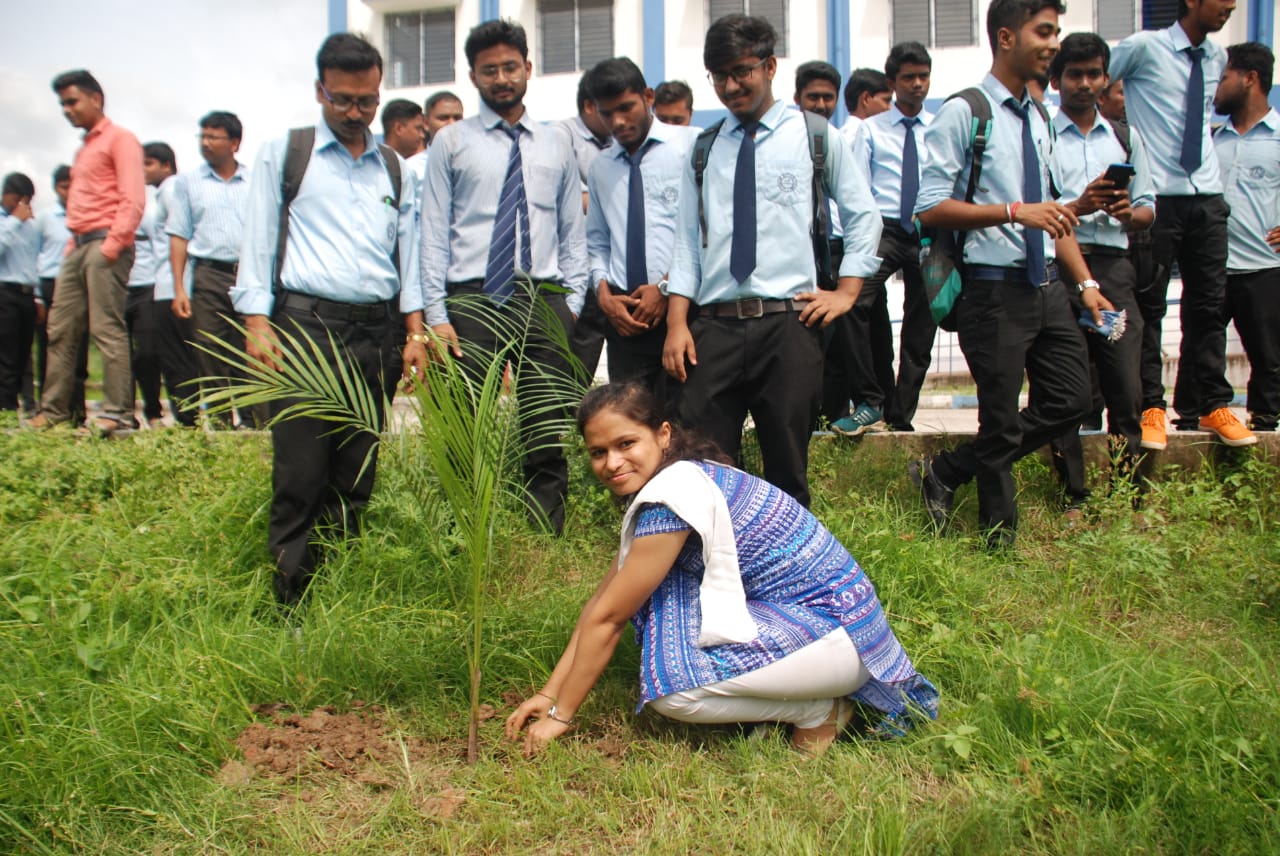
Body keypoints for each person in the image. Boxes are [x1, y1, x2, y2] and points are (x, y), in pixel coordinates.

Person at [505, 382, 938, 758]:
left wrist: (560, 716)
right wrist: (548, 693)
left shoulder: (670, 498)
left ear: (663, 434)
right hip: (839, 629)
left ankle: (818, 710)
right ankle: (793, 702)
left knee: (673, 688)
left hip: (841, 639)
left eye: (625, 444)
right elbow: (603, 601)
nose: (612, 463)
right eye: (598, 453)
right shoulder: (683, 477)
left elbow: (611, 618)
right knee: (660, 604)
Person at [232, 32, 427, 606]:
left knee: (355, 470)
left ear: (378, 92)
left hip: (377, 333)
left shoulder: (394, 168)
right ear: (320, 90)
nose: (353, 112)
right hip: (305, 329)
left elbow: (408, 255)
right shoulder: (286, 152)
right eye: (341, 99)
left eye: (365, 101)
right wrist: (257, 324)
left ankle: (338, 595)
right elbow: (259, 238)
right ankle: (290, 601)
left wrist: (413, 333)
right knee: (300, 472)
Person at [910, 0, 1113, 550]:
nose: (1053, 43)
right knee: (999, 420)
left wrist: (1088, 284)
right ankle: (999, 544)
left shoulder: (1042, 116)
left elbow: (1050, 213)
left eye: (1056, 31)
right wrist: (1011, 211)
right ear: (1006, 36)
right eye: (1043, 32)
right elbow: (928, 208)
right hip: (991, 291)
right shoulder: (965, 111)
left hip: (1046, 283)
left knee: (1072, 399)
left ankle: (947, 471)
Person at [663, 14, 882, 509]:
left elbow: (864, 214)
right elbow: (684, 244)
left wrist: (847, 291)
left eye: (742, 71)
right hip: (713, 330)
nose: (731, 85)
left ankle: (789, 574)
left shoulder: (815, 137)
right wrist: (678, 322)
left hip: (788, 323)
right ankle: (717, 573)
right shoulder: (703, 149)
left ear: (770, 66)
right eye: (719, 75)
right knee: (705, 471)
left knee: (787, 467)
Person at [421, 18, 587, 535]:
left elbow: (570, 227)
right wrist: (435, 312)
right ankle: (466, 530)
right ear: (472, 76)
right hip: (471, 301)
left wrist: (574, 300)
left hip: (543, 297)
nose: (501, 78)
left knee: (544, 423)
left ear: (528, 69)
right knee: (464, 428)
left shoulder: (558, 141)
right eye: (489, 69)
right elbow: (432, 231)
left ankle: (544, 531)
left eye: (510, 67)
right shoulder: (450, 143)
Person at [1109, 0, 1256, 449]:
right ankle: (1151, 405)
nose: (1231, 5)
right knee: (1150, 306)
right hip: (1159, 199)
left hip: (1207, 197)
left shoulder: (1215, 57)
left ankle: (1210, 403)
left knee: (1209, 305)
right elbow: (1094, 77)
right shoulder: (1142, 49)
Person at [1045, 32, 1156, 513]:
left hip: (1114, 267)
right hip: (1059, 267)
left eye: (1094, 74)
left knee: (1125, 389)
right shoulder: (1042, 134)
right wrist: (1080, 205)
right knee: (1065, 389)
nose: (1085, 83)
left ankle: (1130, 497)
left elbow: (1150, 210)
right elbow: (1042, 210)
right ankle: (1073, 495)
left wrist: (1127, 213)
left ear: (1107, 77)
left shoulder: (1126, 137)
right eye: (1075, 74)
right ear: (1057, 79)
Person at [29, 69, 144, 435]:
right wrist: (71, 247)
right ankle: (53, 412)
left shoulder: (120, 139)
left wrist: (112, 245)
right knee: (59, 330)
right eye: (62, 104)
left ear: (97, 98)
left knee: (106, 329)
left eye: (72, 101)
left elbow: (133, 198)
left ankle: (117, 414)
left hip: (105, 244)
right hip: (76, 247)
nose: (67, 110)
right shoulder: (84, 149)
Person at [584, 57, 698, 401]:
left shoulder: (690, 147)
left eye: (626, 108)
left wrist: (665, 287)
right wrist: (602, 291)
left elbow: (705, 231)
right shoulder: (602, 166)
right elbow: (598, 239)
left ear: (647, 96)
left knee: (688, 424)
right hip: (625, 316)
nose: (618, 121)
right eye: (606, 114)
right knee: (634, 423)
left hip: (682, 308)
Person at [839, 41, 936, 436]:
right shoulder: (870, 130)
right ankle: (869, 400)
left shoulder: (939, 128)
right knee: (853, 301)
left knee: (923, 324)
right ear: (893, 82)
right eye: (908, 77)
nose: (917, 84)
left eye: (923, 76)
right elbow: (859, 189)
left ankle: (901, 414)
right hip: (887, 231)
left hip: (929, 232)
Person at [168, 110, 260, 428]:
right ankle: (221, 425)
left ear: (234, 142)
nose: (205, 143)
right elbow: (179, 235)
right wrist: (180, 288)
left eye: (213, 137)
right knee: (209, 348)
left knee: (250, 348)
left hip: (248, 275)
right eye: (202, 136)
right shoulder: (188, 183)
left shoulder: (255, 180)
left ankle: (253, 423)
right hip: (207, 276)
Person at [1213, 42, 1280, 433]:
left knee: (1268, 355)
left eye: (1223, 78)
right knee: (1201, 349)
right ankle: (1200, 415)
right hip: (1213, 267)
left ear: (1249, 79)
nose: (1217, 88)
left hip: (1264, 267)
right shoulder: (1212, 140)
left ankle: (1266, 426)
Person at [131, 142, 200, 428]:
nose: (141, 170)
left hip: (172, 287)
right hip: (167, 286)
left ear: (166, 165)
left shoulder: (171, 190)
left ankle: (187, 421)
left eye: (147, 164)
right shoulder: (162, 194)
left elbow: (183, 236)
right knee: (175, 357)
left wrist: (179, 285)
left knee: (176, 359)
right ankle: (187, 418)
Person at [559, 71, 614, 384]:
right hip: (571, 273)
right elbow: (562, 198)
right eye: (609, 111)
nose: (617, 120)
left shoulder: (618, 140)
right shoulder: (561, 136)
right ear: (591, 107)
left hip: (606, 270)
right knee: (564, 367)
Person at [32, 165, 86, 421]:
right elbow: (32, 256)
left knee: (79, 349)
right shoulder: (44, 218)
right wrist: (37, 296)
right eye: (66, 186)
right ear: (56, 188)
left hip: (80, 285)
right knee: (51, 348)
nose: (71, 192)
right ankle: (50, 410)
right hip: (51, 284)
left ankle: (77, 411)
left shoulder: (88, 216)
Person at [0, 173, 40, 413]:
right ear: (8, 195)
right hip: (4, 294)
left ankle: (13, 407)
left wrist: (37, 298)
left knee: (21, 355)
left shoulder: (31, 227)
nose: (24, 205)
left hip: (27, 296)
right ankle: (6, 410)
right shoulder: (7, 223)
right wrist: (14, 221)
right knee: (5, 355)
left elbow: (34, 262)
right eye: (21, 199)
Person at [840, 68, 892, 146]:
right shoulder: (857, 137)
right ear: (866, 99)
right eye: (886, 100)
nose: (890, 108)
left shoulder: (843, 136)